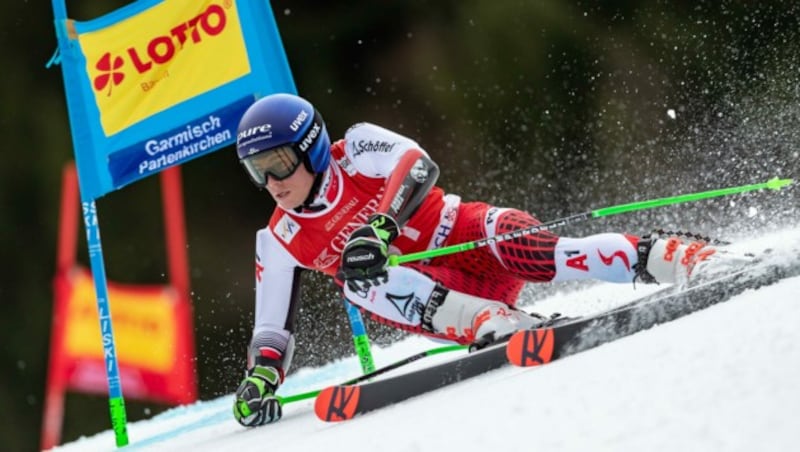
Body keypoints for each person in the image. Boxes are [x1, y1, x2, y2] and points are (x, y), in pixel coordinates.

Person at [231, 93, 716, 426]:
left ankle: (672, 256)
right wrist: (260, 381)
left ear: (311, 148)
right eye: (257, 171)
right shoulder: (279, 237)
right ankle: (494, 322)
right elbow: (272, 331)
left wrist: (381, 226)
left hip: (466, 236)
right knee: (357, 278)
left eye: (279, 163)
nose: (272, 182)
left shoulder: (355, 149)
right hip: (444, 299)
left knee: (538, 251)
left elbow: (417, 163)